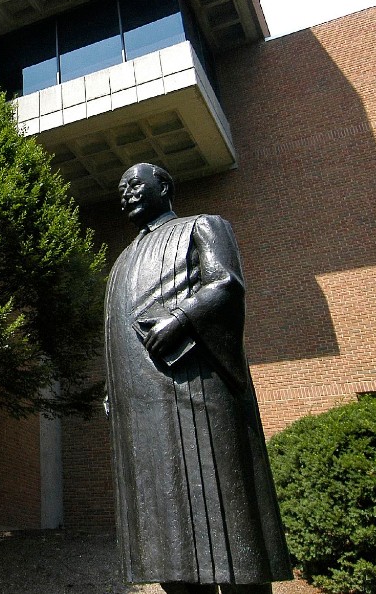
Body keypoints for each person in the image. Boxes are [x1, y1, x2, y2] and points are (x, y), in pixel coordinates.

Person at [105, 163, 292, 594]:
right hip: (142, 410)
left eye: (135, 185)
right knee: (165, 534)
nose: (127, 194)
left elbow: (225, 284)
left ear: (164, 186)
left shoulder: (203, 227)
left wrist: (181, 318)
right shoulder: (121, 262)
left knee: (228, 518)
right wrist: (115, 391)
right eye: (121, 190)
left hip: (199, 391)